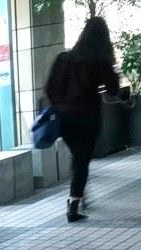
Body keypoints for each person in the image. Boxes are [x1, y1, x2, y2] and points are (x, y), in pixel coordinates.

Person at [45, 16, 120, 222]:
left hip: (64, 120)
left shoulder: (63, 58)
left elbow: (50, 88)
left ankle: (78, 193)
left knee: (78, 158)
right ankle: (74, 203)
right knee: (81, 160)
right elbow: (113, 90)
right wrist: (112, 68)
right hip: (87, 118)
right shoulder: (100, 61)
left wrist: (60, 106)